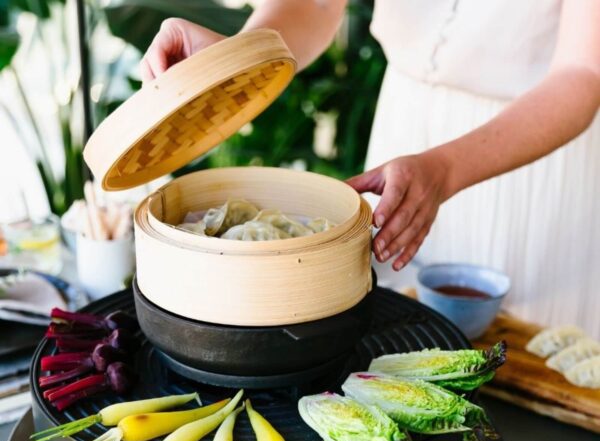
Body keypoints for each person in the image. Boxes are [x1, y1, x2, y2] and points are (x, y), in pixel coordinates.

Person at [140, 0, 600, 334]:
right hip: (406, 133)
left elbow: (584, 73)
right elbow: (318, 6)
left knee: (529, 377)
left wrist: (444, 169)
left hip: (527, 159)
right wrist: (236, 60)